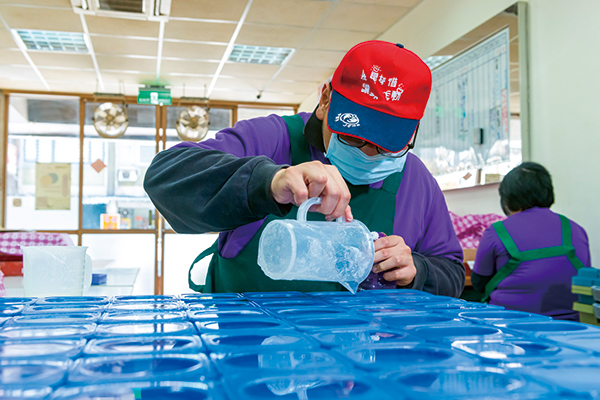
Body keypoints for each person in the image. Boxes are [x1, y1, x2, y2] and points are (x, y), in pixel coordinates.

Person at [144, 40, 465, 295]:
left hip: (362, 366)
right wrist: (268, 182)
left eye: (385, 146)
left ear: (412, 132)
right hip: (249, 355)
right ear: (325, 100)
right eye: (354, 139)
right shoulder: (271, 139)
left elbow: (451, 272)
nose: (369, 154)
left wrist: (416, 271)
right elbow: (165, 178)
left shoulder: (415, 180)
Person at [471, 162, 591, 320]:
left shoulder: (496, 232)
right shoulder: (576, 229)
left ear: (507, 199)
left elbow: (479, 283)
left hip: (510, 326)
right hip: (572, 326)